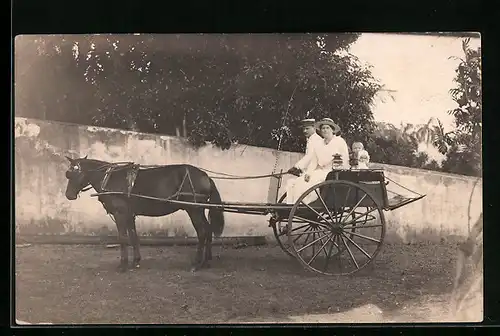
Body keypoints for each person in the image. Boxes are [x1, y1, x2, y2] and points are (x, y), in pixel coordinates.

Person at [286, 118, 350, 204]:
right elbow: (314, 161)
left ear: (332, 130)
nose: (325, 130)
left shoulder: (339, 142)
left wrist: (337, 169)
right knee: (299, 181)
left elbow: (344, 159)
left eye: (327, 128)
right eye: (323, 128)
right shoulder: (319, 144)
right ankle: (295, 203)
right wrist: (308, 172)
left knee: (313, 181)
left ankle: (308, 203)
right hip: (320, 171)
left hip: (333, 172)